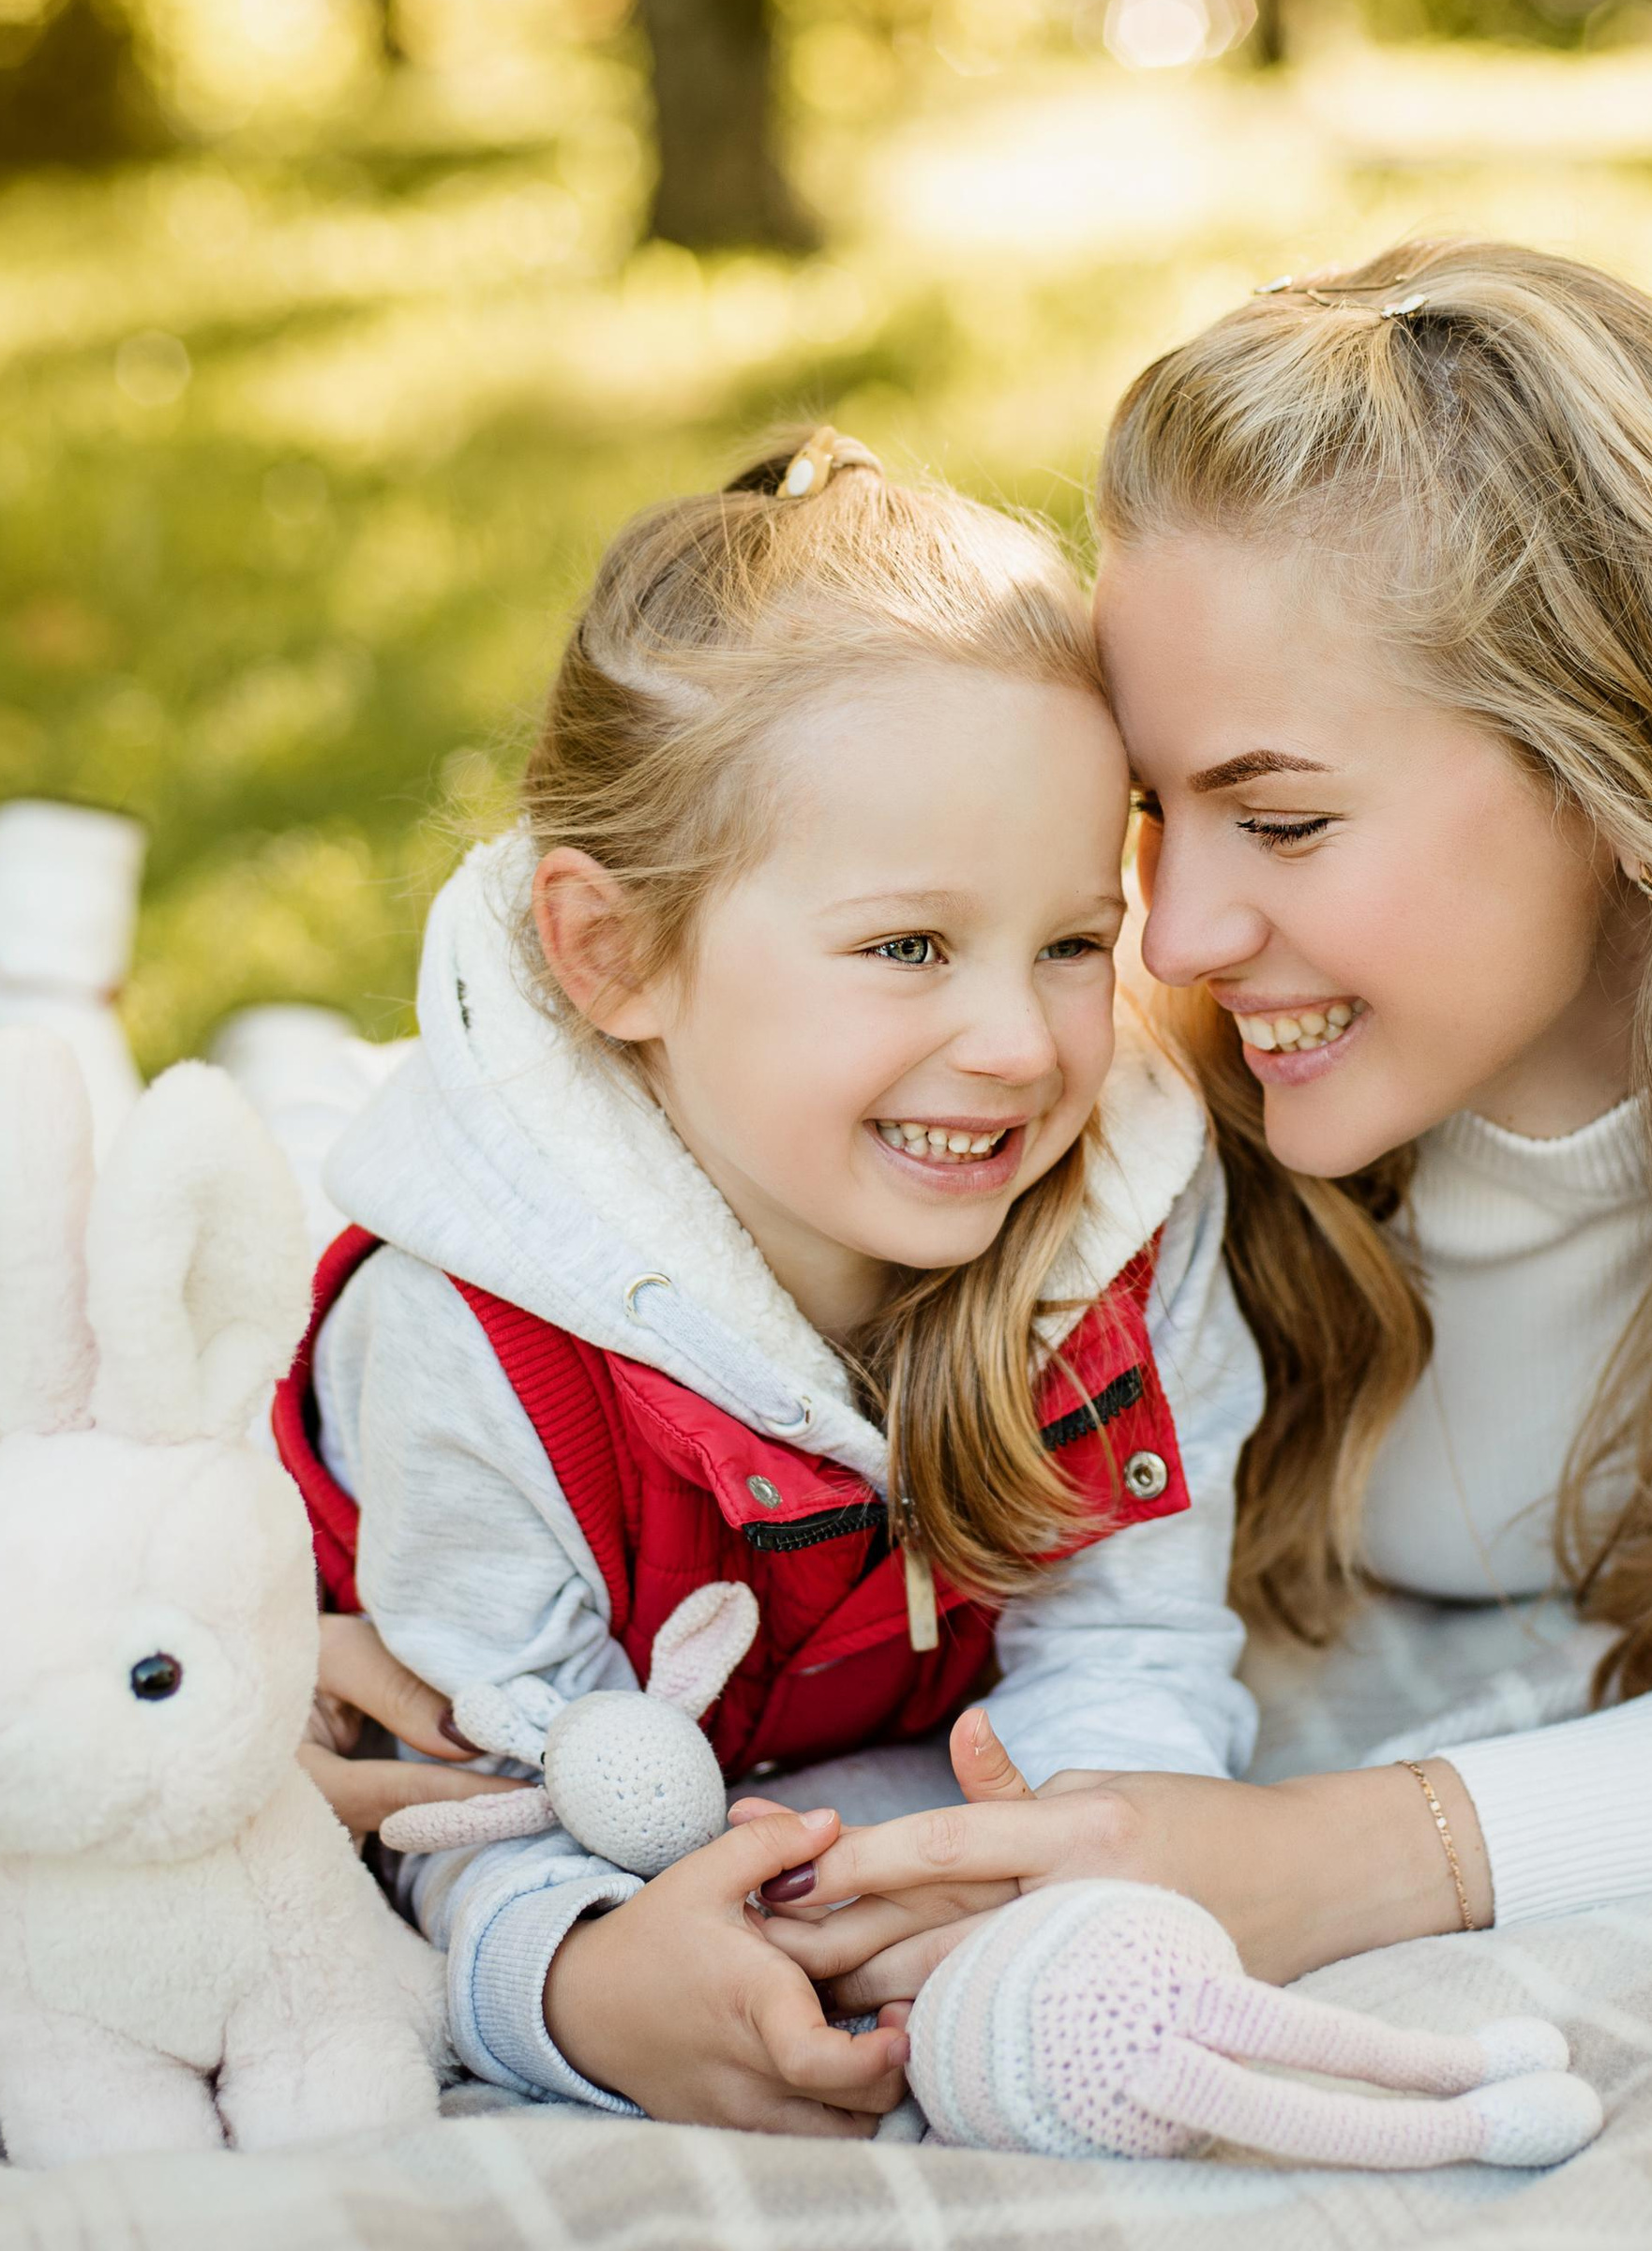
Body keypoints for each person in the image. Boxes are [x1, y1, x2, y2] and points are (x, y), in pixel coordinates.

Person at [770, 241, 1652, 2007]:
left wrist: (1340, 1861)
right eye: (1156, 811)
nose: (1174, 934)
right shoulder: (1115, 1044)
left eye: (1282, 823)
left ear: (1622, 765)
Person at [274, 431, 1262, 2131]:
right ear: (616, 954)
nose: (1021, 1045)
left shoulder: (1122, 1226)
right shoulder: (467, 1349)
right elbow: (462, 1802)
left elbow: (1139, 1647)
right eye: (906, 948)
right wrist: (582, 1987)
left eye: (1073, 943)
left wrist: (1067, 1876)